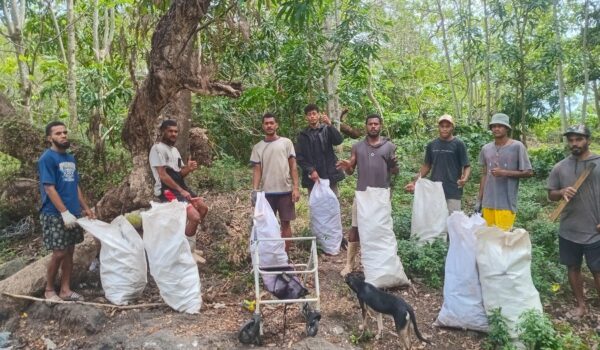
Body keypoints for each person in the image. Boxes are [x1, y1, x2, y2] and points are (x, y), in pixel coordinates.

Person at [547, 125, 600, 318]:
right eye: (571, 140)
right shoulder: (560, 167)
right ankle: (581, 306)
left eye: (578, 139)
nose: (574, 143)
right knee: (573, 267)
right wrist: (561, 192)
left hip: (596, 229)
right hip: (569, 229)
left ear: (588, 140)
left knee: (597, 270)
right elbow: (551, 195)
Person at [39, 121, 95, 301]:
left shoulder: (70, 158)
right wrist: (64, 212)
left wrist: (85, 208)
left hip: (74, 212)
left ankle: (65, 289)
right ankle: (49, 290)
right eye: (58, 133)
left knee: (70, 251)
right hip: (54, 213)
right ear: (50, 138)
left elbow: (75, 185)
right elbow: (49, 188)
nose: (63, 135)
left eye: (64, 132)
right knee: (59, 252)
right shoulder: (47, 158)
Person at [336, 114, 399, 276]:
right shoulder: (358, 146)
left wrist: (394, 165)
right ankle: (350, 264)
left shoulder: (389, 146)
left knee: (381, 229)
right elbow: (351, 170)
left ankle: (380, 265)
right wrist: (347, 166)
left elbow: (395, 172)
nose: (373, 126)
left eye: (376, 124)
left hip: (381, 194)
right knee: (355, 228)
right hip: (362, 195)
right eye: (370, 124)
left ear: (380, 126)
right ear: (366, 126)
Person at [149, 119, 208, 263]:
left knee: (202, 208)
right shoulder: (157, 149)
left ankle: (188, 246)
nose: (173, 134)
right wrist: (181, 191)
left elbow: (179, 174)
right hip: (166, 191)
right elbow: (163, 175)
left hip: (179, 187)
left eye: (175, 131)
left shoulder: (174, 151)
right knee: (194, 216)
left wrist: (188, 169)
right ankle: (187, 251)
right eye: (170, 131)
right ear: (163, 132)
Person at [250, 113, 300, 251]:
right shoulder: (258, 147)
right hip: (267, 193)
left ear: (276, 125)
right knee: (268, 225)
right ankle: (272, 256)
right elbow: (257, 169)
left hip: (285, 191)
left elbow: (293, 166)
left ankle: (285, 257)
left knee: (285, 224)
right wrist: (255, 190)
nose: (269, 125)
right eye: (266, 123)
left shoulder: (286, 143)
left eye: (272, 123)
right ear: (263, 126)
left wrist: (296, 187)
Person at [476, 113, 533, 231]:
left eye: (500, 126)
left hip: (506, 204)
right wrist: (479, 200)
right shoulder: (486, 149)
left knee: (503, 240)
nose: (496, 129)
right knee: (489, 239)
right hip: (488, 203)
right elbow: (484, 175)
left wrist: (504, 172)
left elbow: (528, 172)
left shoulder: (517, 146)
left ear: (507, 128)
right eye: (494, 126)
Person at [404, 114, 470, 213]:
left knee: (453, 221)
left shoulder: (459, 144)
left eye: (447, 126)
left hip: (453, 190)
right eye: (442, 126)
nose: (444, 129)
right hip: (435, 189)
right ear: (438, 127)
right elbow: (427, 166)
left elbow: (467, 166)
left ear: (452, 127)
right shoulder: (432, 145)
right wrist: (414, 182)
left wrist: (464, 178)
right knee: (436, 222)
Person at [296, 104, 345, 195]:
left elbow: (338, 141)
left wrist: (330, 125)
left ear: (318, 115)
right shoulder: (302, 135)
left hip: (330, 174)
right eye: (309, 114)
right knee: (316, 205)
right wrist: (311, 170)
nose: (312, 116)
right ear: (306, 117)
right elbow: (299, 157)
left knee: (333, 203)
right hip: (313, 177)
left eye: (314, 113)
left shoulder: (326, 129)